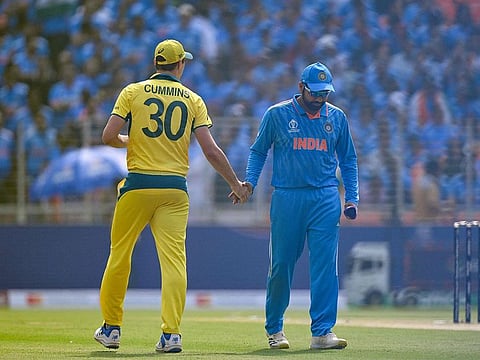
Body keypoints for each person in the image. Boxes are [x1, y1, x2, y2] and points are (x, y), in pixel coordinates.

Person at [93, 39, 250, 353]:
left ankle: (111, 329)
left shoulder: (132, 92)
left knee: (120, 256)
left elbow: (108, 136)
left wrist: (130, 139)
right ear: (181, 65)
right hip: (175, 190)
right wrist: (235, 183)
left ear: (155, 64)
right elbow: (211, 150)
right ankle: (171, 334)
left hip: (137, 186)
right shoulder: (193, 100)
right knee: (175, 263)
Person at [242, 62, 359, 350]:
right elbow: (258, 152)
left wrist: (352, 197)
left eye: (325, 93)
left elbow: (349, 160)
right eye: (315, 92)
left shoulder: (338, 118)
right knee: (281, 265)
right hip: (287, 197)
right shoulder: (277, 114)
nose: (320, 98)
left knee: (324, 268)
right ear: (301, 88)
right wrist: (249, 183)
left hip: (325, 197)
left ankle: (322, 332)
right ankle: (275, 330)